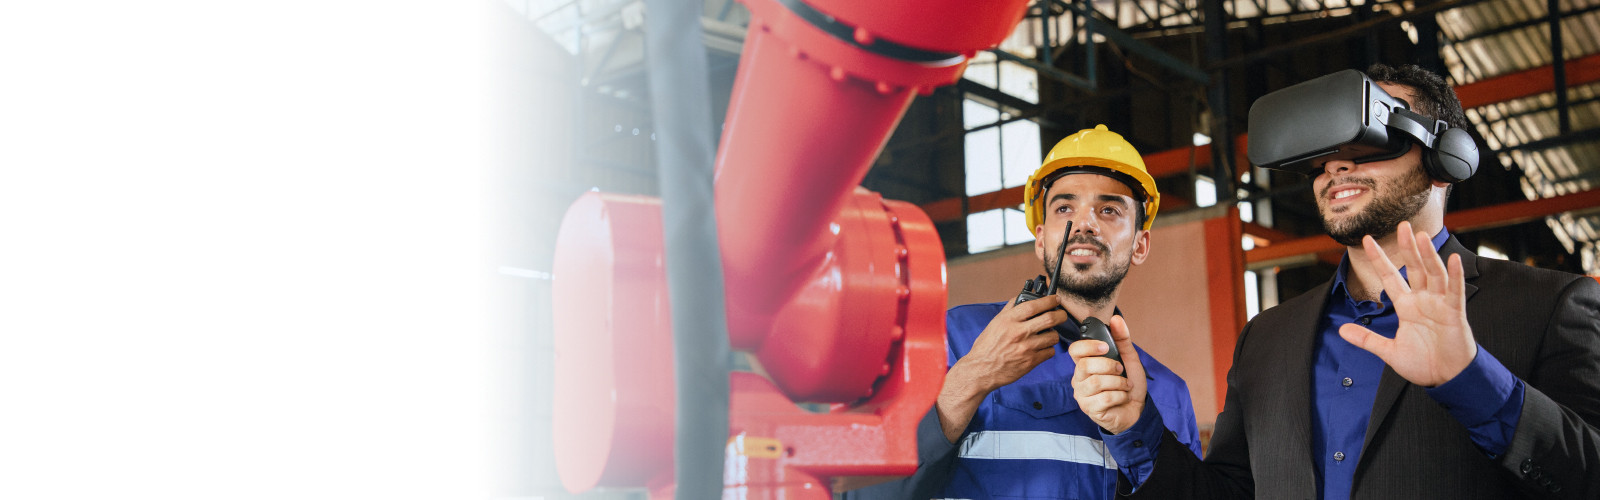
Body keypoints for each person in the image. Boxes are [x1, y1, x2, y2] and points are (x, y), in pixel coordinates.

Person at [1070, 63, 1600, 499]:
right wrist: (1134, 427)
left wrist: (1472, 380)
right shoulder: (1267, 339)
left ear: (1447, 159)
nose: (1336, 166)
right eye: (1322, 153)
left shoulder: (1554, 306)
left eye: (1371, 139)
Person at [847, 125, 1202, 499]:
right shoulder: (952, 339)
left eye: (1109, 209)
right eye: (1064, 207)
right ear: (1040, 238)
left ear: (1140, 245)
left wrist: (1136, 432)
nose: (1084, 223)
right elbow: (864, 491)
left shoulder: (1167, 393)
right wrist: (972, 377)